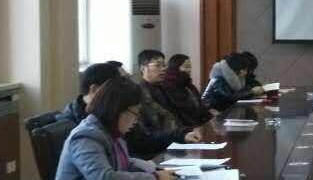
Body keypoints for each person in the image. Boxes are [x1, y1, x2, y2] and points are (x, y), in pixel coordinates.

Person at [52, 78, 175, 180]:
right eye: (135, 113)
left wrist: (154, 168)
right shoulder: (86, 136)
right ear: (117, 109)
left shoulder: (110, 132)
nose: (136, 121)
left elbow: (122, 163)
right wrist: (155, 178)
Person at [58, 63, 210, 159]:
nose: (125, 87)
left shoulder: (117, 113)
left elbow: (143, 140)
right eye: (118, 84)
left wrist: (181, 135)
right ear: (94, 89)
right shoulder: (75, 126)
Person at [161, 54, 216, 127]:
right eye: (186, 67)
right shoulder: (169, 86)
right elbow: (180, 114)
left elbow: (199, 106)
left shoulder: (188, 85)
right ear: (175, 68)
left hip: (197, 125)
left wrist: (211, 117)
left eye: (190, 67)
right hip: (187, 128)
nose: (189, 70)